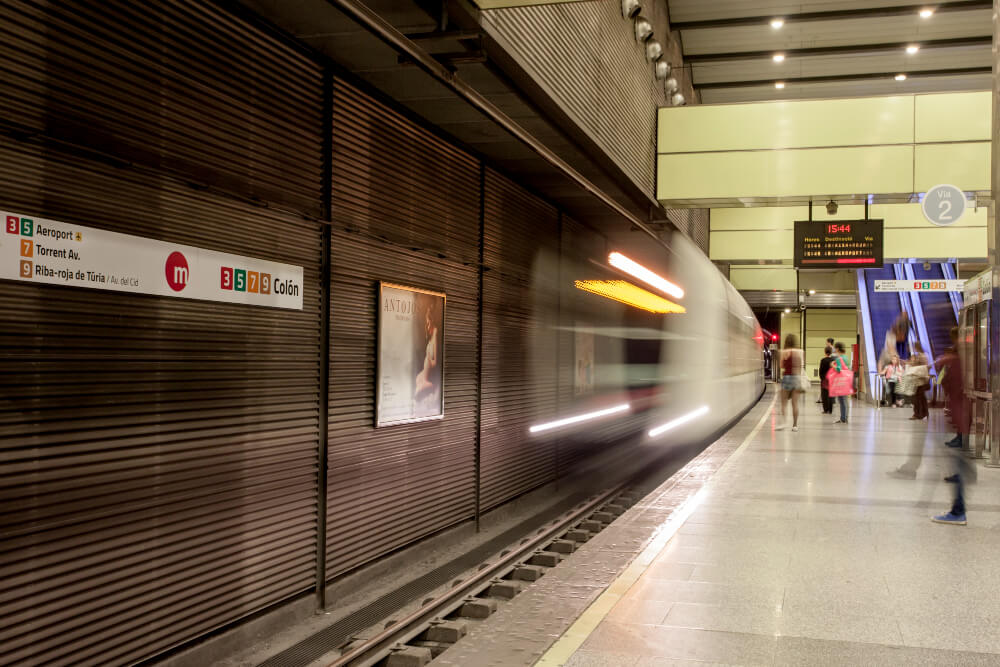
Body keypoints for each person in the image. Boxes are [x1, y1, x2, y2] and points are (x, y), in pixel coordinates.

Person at [934, 327, 974, 524]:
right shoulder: (969, 358)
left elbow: (945, 381)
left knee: (959, 461)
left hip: (960, 416)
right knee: (959, 461)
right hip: (965, 417)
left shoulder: (955, 360)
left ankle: (958, 511)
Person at [777, 334, 805, 432]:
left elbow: (781, 366)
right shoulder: (800, 352)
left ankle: (783, 423)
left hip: (787, 378)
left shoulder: (783, 352)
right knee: (795, 403)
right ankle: (795, 425)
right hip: (796, 378)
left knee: (784, 403)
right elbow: (801, 366)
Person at [907, 342, 930, 421]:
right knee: (921, 398)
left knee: (918, 398)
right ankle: (923, 413)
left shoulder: (920, 356)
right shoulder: (924, 355)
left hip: (920, 380)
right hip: (921, 380)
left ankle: (919, 414)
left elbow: (921, 366)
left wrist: (912, 363)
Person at [831, 341, 850, 424]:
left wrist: (833, 365)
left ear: (837, 349)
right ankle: (845, 418)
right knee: (845, 400)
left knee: (841, 401)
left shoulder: (838, 359)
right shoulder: (846, 357)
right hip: (847, 380)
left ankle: (843, 419)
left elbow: (838, 369)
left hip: (840, 381)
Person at [816, 337, 834, 403]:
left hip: (828, 371)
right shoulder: (831, 349)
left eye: (826, 342)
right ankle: (821, 399)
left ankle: (824, 399)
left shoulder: (832, 350)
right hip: (829, 371)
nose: (826, 343)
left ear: (829, 342)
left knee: (825, 387)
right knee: (826, 386)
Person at [818, 345, 834, 414]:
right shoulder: (833, 360)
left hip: (824, 379)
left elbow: (820, 370)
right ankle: (830, 410)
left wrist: (822, 378)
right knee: (830, 394)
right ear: (831, 352)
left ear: (825, 352)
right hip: (831, 379)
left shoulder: (823, 360)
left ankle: (825, 409)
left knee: (824, 395)